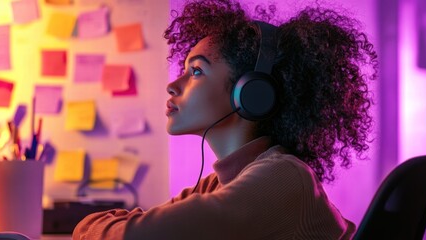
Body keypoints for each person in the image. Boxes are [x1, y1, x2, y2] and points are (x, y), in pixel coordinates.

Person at [72, 0, 377, 239]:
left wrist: (87, 226)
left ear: (251, 94)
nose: (173, 86)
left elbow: (138, 236)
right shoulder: (220, 183)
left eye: (196, 72)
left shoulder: (284, 177)